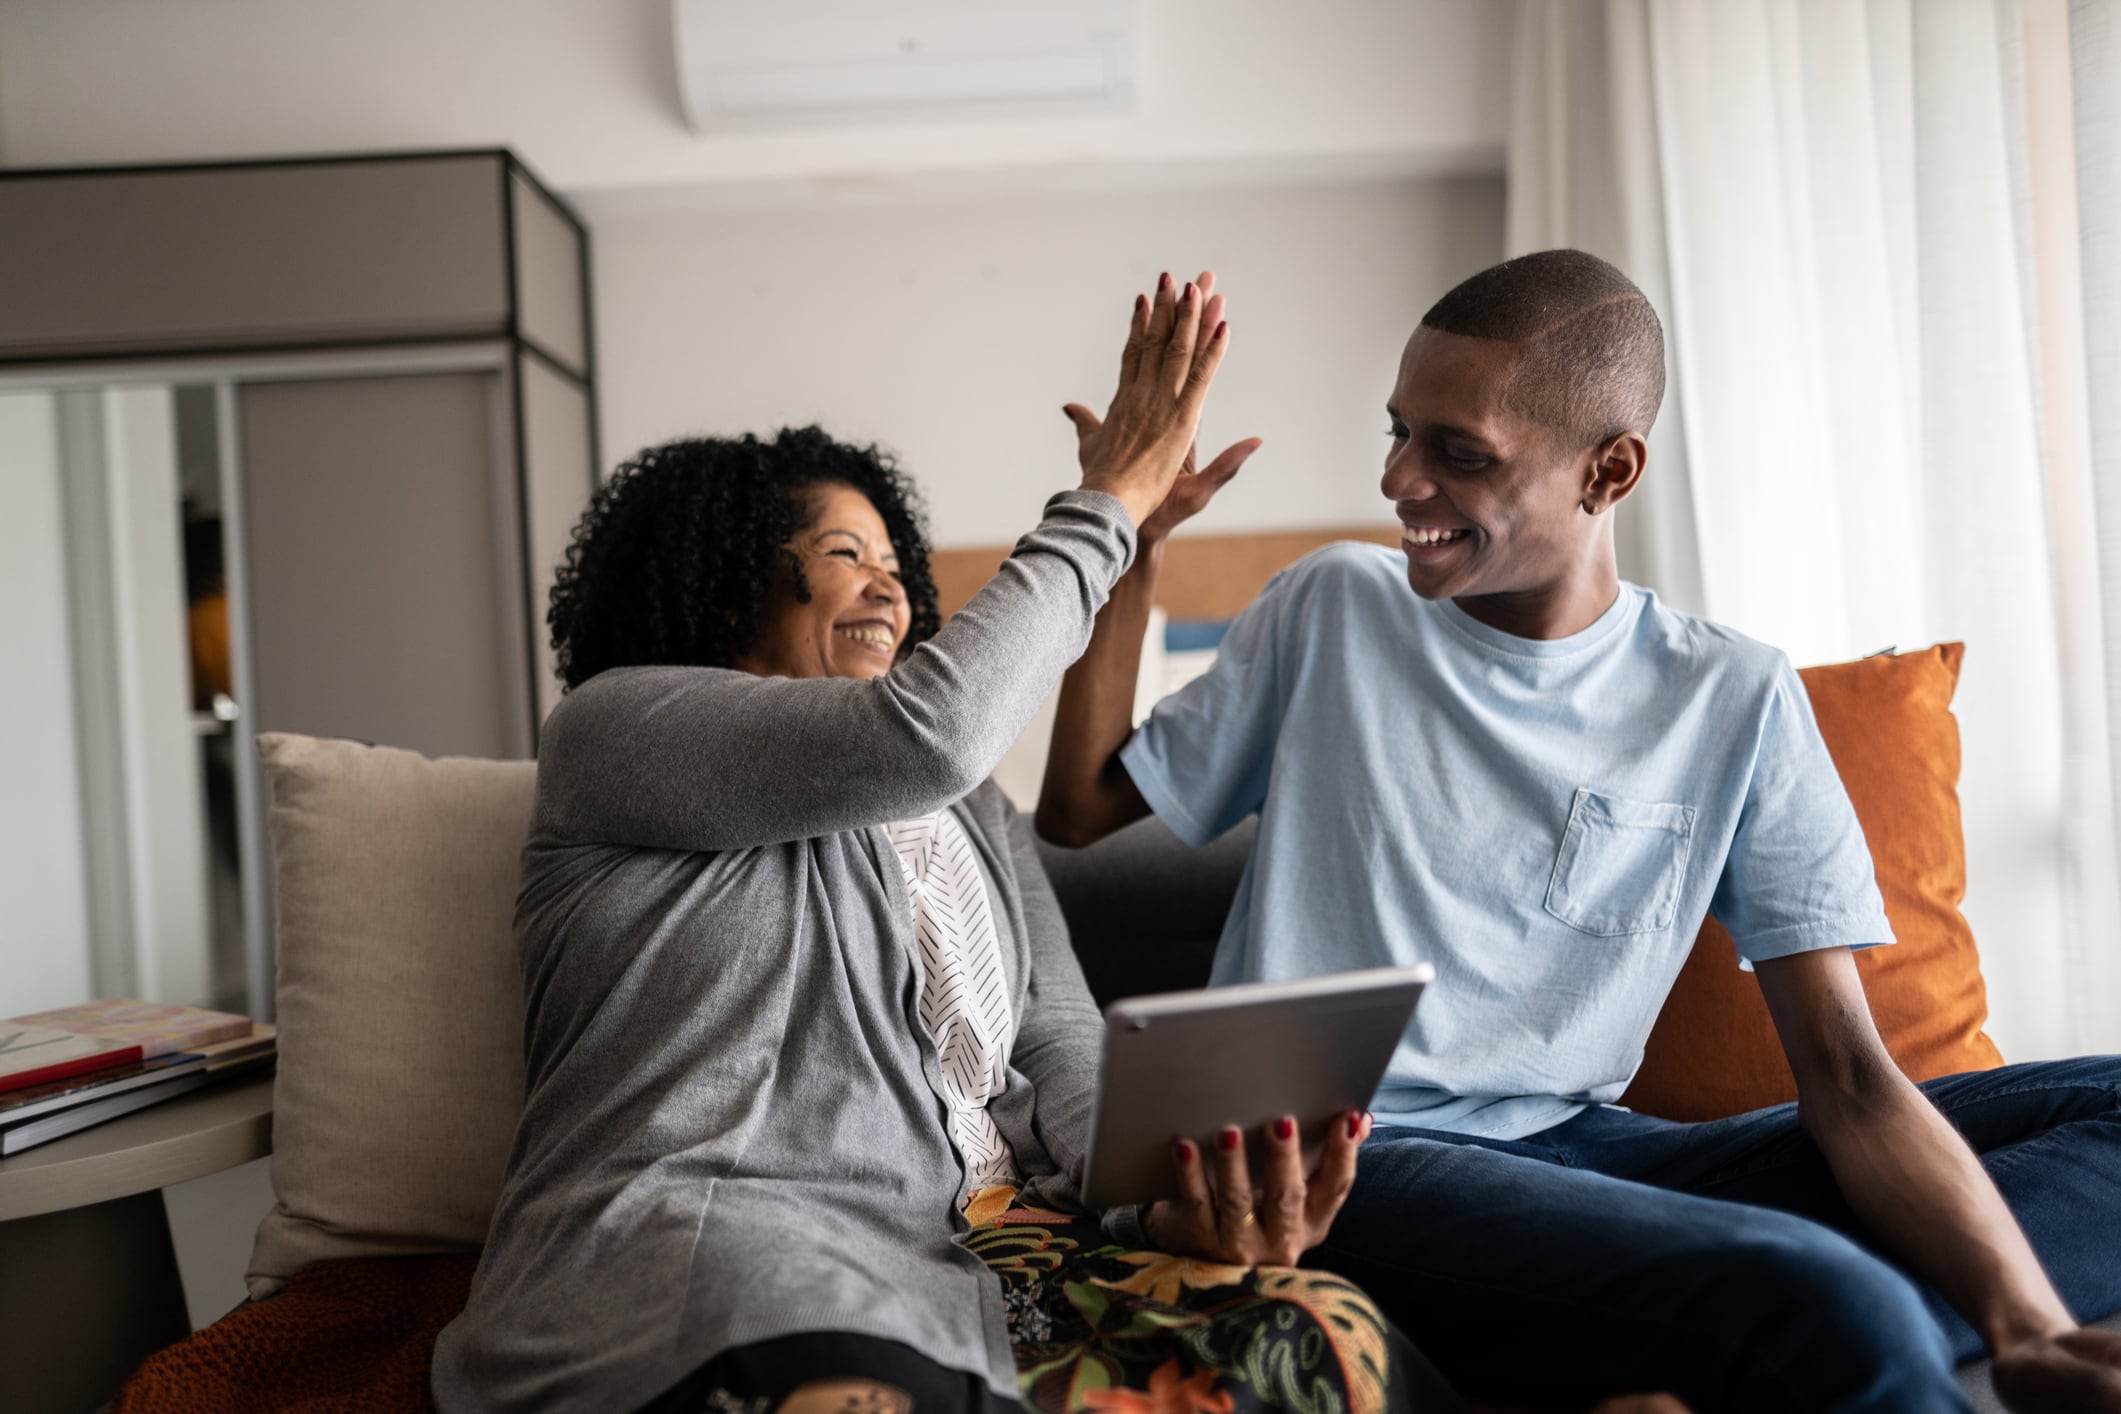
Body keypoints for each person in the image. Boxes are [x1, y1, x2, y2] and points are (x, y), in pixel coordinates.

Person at [1035, 253, 2121, 1414]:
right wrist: (1135, 538)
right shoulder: (1333, 607)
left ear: (1609, 469)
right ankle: (1790, 1325)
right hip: (1363, 1163)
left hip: (1598, 1155)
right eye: (1398, 431)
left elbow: (1850, 1078)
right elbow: (1080, 808)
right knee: (1819, 1291)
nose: (1401, 478)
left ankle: (1732, 1341)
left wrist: (2028, 1323)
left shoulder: (1732, 696)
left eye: (1459, 452)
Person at [429, 278, 1471, 1414]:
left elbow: (1060, 1035)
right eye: (842, 551)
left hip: (1005, 1249)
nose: (888, 581)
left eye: (893, 557)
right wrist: (1107, 500)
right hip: (730, 1238)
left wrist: (1155, 1193)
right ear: (728, 587)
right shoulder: (621, 733)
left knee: (1323, 1334)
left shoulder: (970, 806)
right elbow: (924, 732)